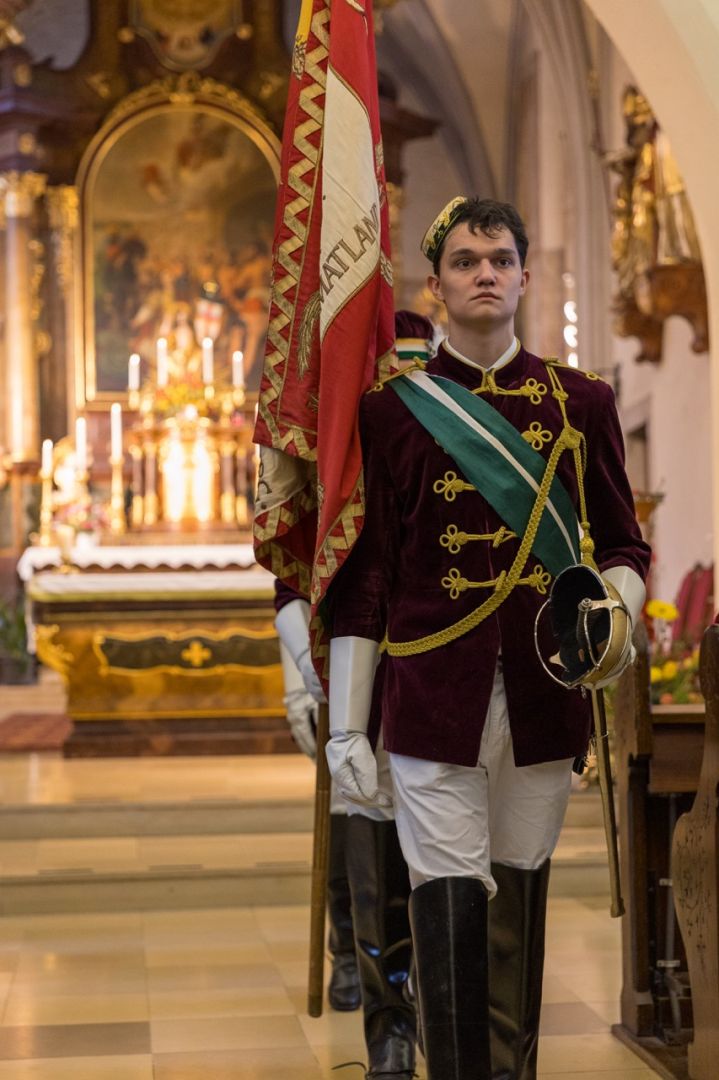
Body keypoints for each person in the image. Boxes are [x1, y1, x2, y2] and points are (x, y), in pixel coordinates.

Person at [324, 197, 651, 1079]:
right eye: (465, 262)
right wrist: (347, 726)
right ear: (435, 285)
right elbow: (368, 581)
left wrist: (607, 619)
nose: (484, 274)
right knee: (445, 893)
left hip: (545, 693)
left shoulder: (580, 402)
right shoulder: (390, 413)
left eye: (499, 260)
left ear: (523, 277)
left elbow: (623, 543)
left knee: (520, 892)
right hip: (432, 694)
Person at [272, 310, 434, 1080]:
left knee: (439, 854)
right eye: (390, 364)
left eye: (416, 363)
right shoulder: (347, 456)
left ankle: (434, 1000)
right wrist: (308, 682)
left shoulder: (449, 445)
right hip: (350, 666)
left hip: (438, 675)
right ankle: (374, 989)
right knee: (359, 831)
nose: (404, 377)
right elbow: (293, 575)